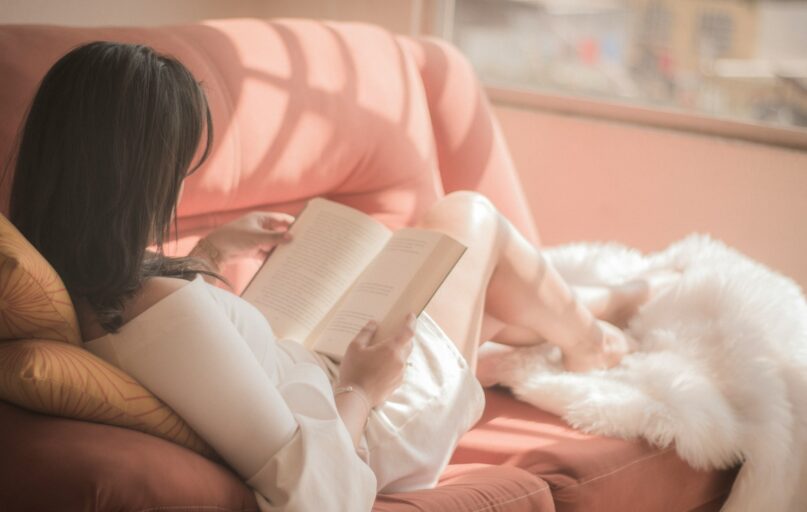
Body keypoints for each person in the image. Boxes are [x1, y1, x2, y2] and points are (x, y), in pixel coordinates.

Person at [7, 42, 660, 511]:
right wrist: (363, 387)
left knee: (466, 278)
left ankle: (583, 308)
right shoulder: (149, 307)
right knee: (468, 216)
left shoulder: (81, 270)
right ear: (133, 175)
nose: (179, 182)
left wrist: (206, 254)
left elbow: (187, 360)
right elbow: (309, 489)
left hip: (315, 376)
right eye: (175, 165)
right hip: (374, 430)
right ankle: (591, 342)